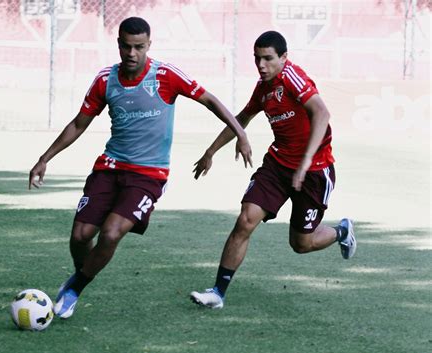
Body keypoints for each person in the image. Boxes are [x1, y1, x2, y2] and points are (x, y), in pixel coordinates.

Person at [28, 17, 252, 319]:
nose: (132, 53)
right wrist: (45, 158)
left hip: (149, 175)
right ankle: (81, 274)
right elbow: (80, 123)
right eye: (126, 46)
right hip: (109, 167)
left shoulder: (165, 76)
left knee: (111, 233)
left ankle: (74, 289)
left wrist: (240, 133)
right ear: (118, 44)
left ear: (149, 45)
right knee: (81, 235)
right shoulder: (105, 80)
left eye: (139, 47)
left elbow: (209, 100)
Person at [189, 30, 356, 309]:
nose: (261, 65)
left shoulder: (292, 78)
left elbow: (322, 113)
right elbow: (242, 117)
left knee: (301, 244)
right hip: (277, 166)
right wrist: (210, 151)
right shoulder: (264, 87)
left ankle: (341, 231)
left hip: (314, 172)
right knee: (245, 220)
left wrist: (305, 163)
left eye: (268, 58)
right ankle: (218, 293)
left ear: (284, 58)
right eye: (257, 59)